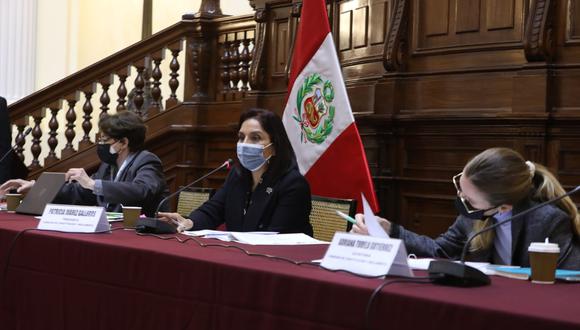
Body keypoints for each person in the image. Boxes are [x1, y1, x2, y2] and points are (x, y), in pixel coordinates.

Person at [352, 147, 580, 269]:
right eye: (460, 188)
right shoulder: (474, 215)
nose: (461, 199)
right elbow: (440, 251)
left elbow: (567, 277)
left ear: (502, 207)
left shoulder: (548, 220)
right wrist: (390, 229)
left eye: (469, 199)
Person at [158, 108, 313, 235]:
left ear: (274, 146)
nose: (245, 144)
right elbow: (214, 209)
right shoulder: (238, 175)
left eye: (255, 138)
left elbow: (278, 236)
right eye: (241, 137)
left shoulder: (292, 184)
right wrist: (188, 222)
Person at [0, 111, 168, 217]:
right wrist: (37, 187)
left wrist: (92, 183)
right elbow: (80, 192)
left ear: (123, 142)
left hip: (137, 234)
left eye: (105, 140)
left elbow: (143, 191)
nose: (100, 145)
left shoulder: (146, 161)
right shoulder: (109, 166)